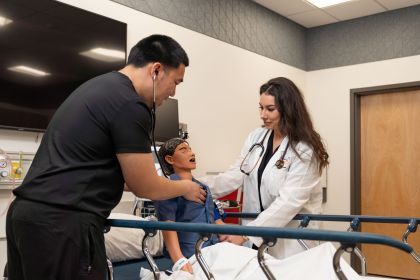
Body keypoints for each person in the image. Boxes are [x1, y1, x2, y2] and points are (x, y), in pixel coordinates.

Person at [6, 34, 207, 280]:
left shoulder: (98, 87)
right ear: (156, 70)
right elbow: (145, 187)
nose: (173, 92)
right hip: (63, 225)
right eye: (176, 82)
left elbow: (110, 173)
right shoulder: (130, 104)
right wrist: (184, 186)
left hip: (25, 217)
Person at [200, 77, 329, 259]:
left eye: (270, 109)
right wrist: (195, 185)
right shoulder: (257, 137)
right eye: (261, 108)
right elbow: (236, 174)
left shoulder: (305, 148)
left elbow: (289, 201)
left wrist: (247, 233)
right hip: (256, 236)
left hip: (291, 240)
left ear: (288, 110)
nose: (263, 115)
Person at [154, 138, 224, 274]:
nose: (191, 153)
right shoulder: (167, 188)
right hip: (191, 255)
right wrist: (179, 259)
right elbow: (168, 226)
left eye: (190, 149)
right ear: (170, 159)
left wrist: (231, 234)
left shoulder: (203, 187)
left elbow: (214, 216)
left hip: (214, 249)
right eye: (183, 150)